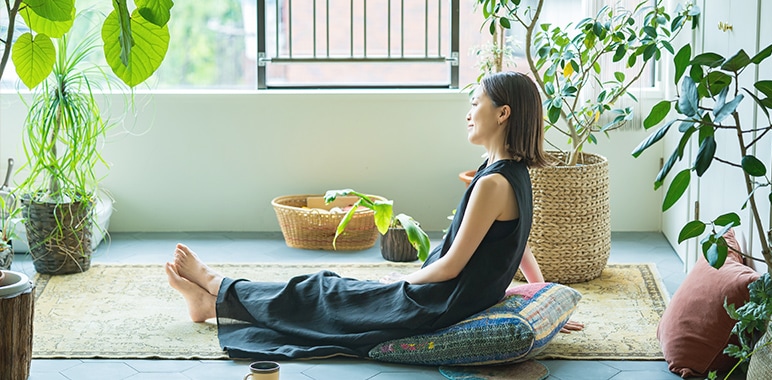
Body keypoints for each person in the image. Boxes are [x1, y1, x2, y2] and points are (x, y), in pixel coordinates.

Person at [165, 71, 582, 360]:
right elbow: (518, 242)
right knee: (333, 294)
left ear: (503, 113)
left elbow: (452, 266)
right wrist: (539, 297)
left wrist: (402, 282)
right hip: (444, 295)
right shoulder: (512, 175)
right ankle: (213, 303)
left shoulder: (494, 184)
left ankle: (218, 286)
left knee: (322, 292)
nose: (468, 112)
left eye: (476, 103)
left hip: (437, 303)